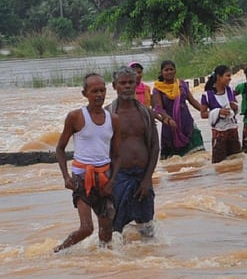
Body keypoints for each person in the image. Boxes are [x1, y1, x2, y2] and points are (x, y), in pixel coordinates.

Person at [54, 73, 121, 252]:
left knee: (107, 231)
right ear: (85, 93)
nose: (99, 95)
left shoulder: (113, 119)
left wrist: (112, 181)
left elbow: (117, 155)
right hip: (81, 179)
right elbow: (60, 148)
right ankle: (59, 252)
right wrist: (66, 176)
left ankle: (103, 263)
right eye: (94, 91)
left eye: (102, 90)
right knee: (86, 228)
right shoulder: (75, 117)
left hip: (105, 178)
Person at [105, 66, 160, 237]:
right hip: (118, 176)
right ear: (114, 86)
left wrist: (147, 179)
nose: (127, 86)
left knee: (147, 225)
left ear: (137, 84)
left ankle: (147, 260)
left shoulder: (145, 113)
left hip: (142, 175)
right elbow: (100, 149)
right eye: (123, 83)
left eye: (131, 82)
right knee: (115, 225)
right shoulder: (107, 115)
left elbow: (154, 146)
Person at [152, 60, 205, 159]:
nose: (169, 72)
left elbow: (192, 101)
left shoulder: (182, 84)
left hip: (186, 121)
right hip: (170, 124)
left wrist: (205, 111)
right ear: (161, 72)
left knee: (197, 155)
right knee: (173, 159)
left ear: (175, 71)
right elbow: (158, 108)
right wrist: (168, 119)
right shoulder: (158, 88)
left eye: (171, 69)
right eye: (166, 70)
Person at [200, 65, 241, 163]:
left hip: (232, 131)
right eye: (227, 76)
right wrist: (218, 112)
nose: (230, 78)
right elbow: (203, 114)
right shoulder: (207, 95)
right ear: (219, 77)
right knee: (219, 163)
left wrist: (235, 107)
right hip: (219, 134)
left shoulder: (230, 91)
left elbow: (235, 109)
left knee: (237, 161)